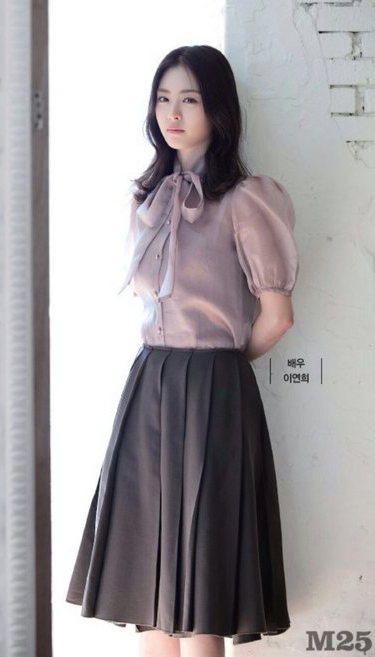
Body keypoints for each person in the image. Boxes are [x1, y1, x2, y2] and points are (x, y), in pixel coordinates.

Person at [65, 44, 299, 657]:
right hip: (149, 386)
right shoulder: (146, 199)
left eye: (189, 99)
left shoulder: (246, 199)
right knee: (149, 582)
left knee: (201, 586)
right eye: (163, 98)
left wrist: (220, 368)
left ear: (217, 110)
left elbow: (277, 316)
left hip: (214, 388)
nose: (172, 112)